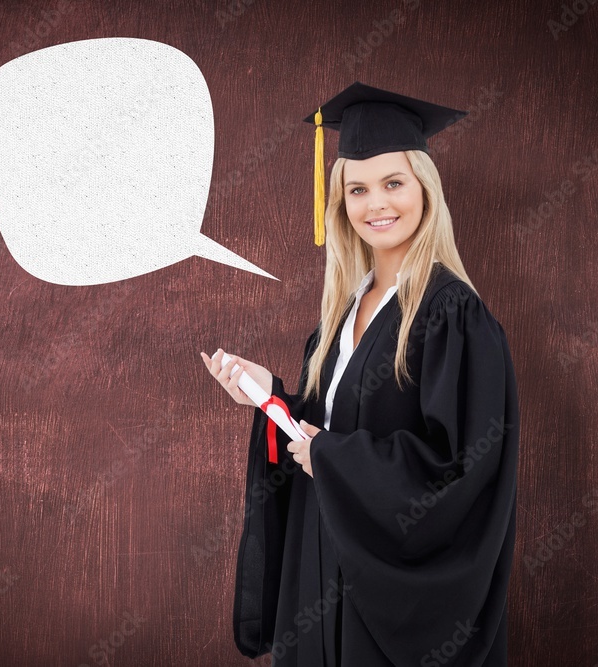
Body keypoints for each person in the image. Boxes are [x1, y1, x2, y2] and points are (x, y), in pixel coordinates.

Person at [200, 82, 519, 666]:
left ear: (425, 187)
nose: (377, 204)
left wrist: (334, 457)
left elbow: (464, 469)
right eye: (358, 189)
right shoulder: (344, 312)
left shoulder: (452, 314)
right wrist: (274, 400)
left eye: (393, 183)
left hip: (383, 598)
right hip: (320, 572)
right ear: (340, 202)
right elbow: (326, 433)